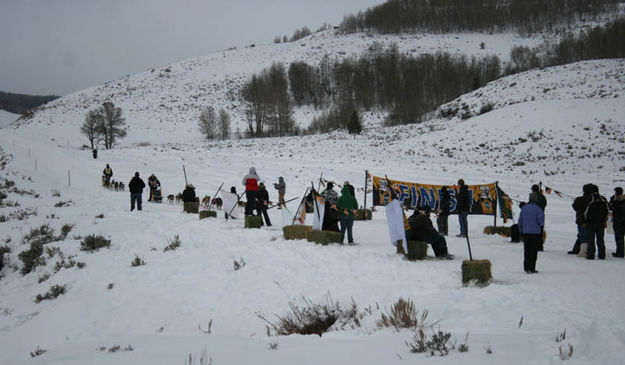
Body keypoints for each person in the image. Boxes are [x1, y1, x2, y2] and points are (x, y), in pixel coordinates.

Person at [518, 192, 545, 274]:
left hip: (526, 232)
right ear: (536, 199)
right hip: (535, 233)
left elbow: (520, 221)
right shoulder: (538, 209)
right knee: (533, 251)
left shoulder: (524, 208)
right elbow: (541, 221)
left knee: (527, 250)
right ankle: (532, 267)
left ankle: (526, 267)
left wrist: (521, 230)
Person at [585, 184, 609, 260]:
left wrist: (585, 220)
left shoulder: (590, 199)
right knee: (600, 239)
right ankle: (602, 255)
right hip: (601, 222)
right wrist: (605, 220)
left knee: (591, 239)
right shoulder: (603, 199)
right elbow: (607, 211)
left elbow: (585, 212)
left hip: (591, 222)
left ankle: (591, 255)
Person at [568, 184, 593, 255]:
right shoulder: (593, 199)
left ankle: (583, 251)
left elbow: (574, 206)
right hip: (591, 221)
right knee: (585, 236)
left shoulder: (579, 199)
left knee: (582, 236)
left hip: (581, 220)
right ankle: (579, 250)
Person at [609, 187, 625, 258]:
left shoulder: (617, 201)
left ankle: (620, 253)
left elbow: (611, 207)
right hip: (621, 221)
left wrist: (611, 201)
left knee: (619, 238)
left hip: (619, 221)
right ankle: (620, 252)